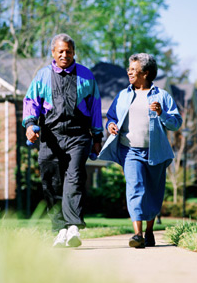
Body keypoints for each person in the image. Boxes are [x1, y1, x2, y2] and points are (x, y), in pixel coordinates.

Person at [23, 33, 103, 247]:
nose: (65, 54)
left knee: (74, 177)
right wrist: (30, 124)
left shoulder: (86, 76)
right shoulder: (42, 76)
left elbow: (95, 107)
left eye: (68, 51)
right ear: (53, 53)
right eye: (61, 51)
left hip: (78, 136)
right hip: (50, 137)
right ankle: (60, 229)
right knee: (51, 181)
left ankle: (74, 226)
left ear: (74, 52)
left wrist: (97, 136)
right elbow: (31, 102)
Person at [99, 53, 182, 248]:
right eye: (129, 69)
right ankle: (137, 235)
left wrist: (162, 113)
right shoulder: (123, 95)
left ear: (145, 73)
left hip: (156, 152)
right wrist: (110, 125)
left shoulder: (162, 96)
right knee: (135, 187)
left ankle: (149, 231)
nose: (129, 72)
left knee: (153, 192)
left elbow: (176, 123)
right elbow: (111, 117)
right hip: (130, 151)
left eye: (133, 69)